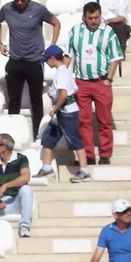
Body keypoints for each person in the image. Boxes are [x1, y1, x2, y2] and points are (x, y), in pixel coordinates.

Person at [67, 1, 122, 165]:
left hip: (101, 81)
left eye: (96, 17)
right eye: (90, 18)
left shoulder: (108, 32)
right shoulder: (75, 32)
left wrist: (109, 79)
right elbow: (69, 56)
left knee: (104, 120)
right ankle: (88, 156)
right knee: (83, 120)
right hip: (81, 82)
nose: (93, 21)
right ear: (84, 17)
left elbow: (115, 58)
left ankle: (105, 154)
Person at [35, 44, 90, 182]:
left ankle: (84, 171)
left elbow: (64, 95)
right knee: (48, 138)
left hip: (67, 113)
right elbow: (74, 89)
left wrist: (54, 108)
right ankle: (47, 167)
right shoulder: (64, 71)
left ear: (53, 59)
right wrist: (54, 94)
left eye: (47, 60)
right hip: (62, 112)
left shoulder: (61, 73)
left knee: (74, 140)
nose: (47, 63)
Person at [0, 133, 35, 237]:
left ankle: (24, 226)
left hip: (18, 200)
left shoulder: (21, 159)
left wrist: (5, 185)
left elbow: (26, 177)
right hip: (4, 202)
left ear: (4, 147)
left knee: (26, 189)